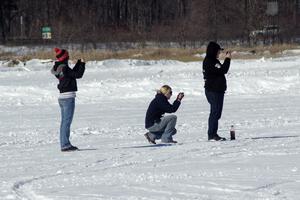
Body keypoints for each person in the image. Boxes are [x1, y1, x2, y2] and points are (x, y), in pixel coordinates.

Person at [51, 48, 85, 151]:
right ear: (65, 57)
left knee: (64, 122)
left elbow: (73, 74)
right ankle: (65, 145)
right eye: (68, 55)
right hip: (68, 98)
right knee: (66, 122)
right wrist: (82, 65)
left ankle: (64, 143)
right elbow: (78, 75)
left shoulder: (60, 67)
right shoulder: (65, 67)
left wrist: (79, 63)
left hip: (62, 97)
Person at [202, 41, 231, 141]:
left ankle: (213, 134)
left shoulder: (213, 60)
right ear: (214, 51)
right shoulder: (211, 61)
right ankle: (212, 135)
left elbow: (220, 70)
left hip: (216, 90)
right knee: (215, 113)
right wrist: (227, 59)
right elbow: (223, 70)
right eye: (218, 51)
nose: (219, 53)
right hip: (213, 91)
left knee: (217, 113)